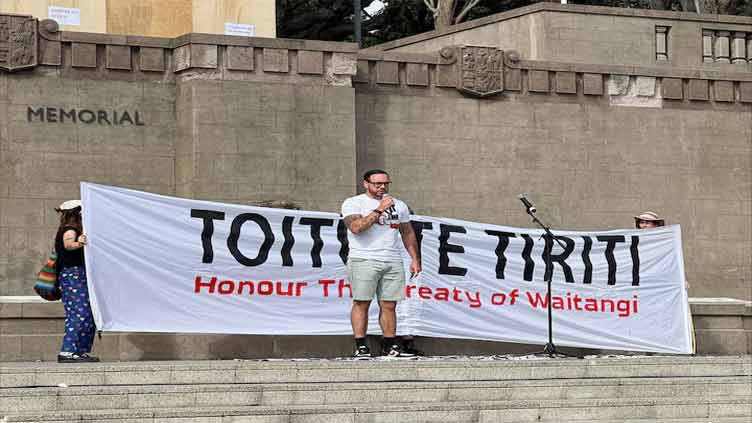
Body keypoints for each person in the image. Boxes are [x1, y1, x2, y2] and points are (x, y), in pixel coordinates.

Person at [341, 169, 421, 358]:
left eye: (385, 183)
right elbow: (356, 228)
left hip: (392, 259)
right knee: (362, 302)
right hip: (364, 258)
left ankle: (390, 344)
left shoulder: (399, 205)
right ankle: (361, 345)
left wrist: (415, 259)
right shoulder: (353, 203)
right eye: (377, 184)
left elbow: (407, 232)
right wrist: (379, 210)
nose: (382, 187)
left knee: (389, 304)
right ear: (366, 184)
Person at [55, 200, 99, 363]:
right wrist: (80, 242)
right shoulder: (69, 229)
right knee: (79, 313)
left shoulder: (72, 229)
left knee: (88, 313)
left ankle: (80, 350)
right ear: (76, 214)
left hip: (78, 275)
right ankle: (68, 351)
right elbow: (68, 244)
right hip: (73, 276)